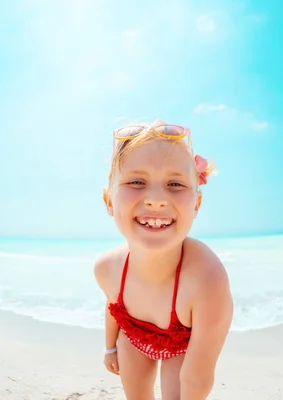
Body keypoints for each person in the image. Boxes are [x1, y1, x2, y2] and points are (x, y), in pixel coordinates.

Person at [93, 120, 234, 400]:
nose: (156, 199)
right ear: (109, 202)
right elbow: (113, 305)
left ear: (196, 204)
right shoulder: (107, 267)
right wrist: (110, 348)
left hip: (180, 344)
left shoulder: (206, 279)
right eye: (136, 182)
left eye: (175, 183)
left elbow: (198, 377)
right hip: (133, 338)